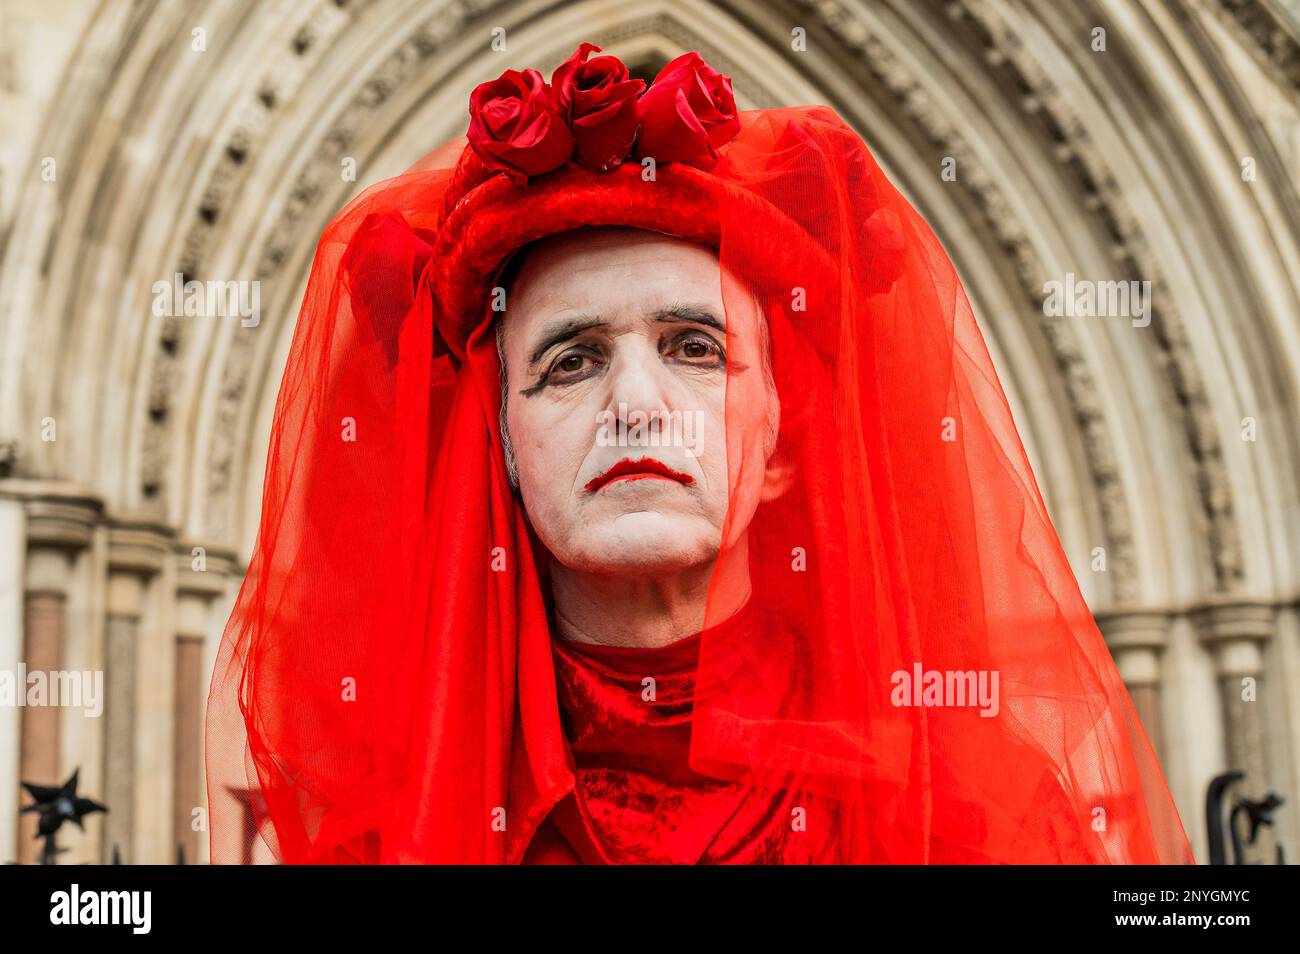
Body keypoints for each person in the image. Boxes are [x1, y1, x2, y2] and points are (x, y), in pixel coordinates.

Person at [205, 42, 1195, 864]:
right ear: (498, 441)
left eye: (695, 348)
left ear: (780, 443)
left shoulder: (975, 823)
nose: (637, 407)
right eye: (570, 359)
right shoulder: (393, 840)